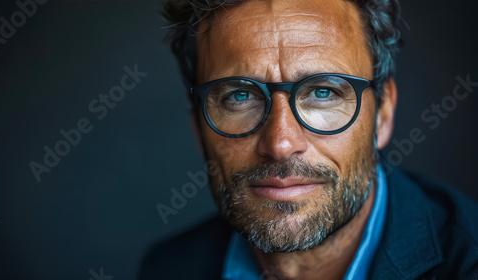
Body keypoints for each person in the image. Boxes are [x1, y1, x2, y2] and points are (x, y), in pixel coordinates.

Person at [141, 0, 478, 279]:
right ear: (197, 124)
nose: (280, 144)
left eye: (323, 91)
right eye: (240, 97)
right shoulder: (169, 268)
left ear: (384, 113)